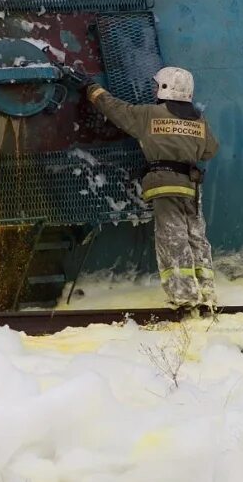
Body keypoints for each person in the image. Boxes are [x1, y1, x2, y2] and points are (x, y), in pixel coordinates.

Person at [69, 66, 220, 309]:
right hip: (190, 186)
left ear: (165, 88)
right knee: (196, 236)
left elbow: (115, 109)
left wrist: (91, 89)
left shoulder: (149, 114)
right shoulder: (198, 121)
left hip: (164, 184)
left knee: (172, 236)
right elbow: (211, 150)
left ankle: (184, 296)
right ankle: (207, 292)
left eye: (156, 85)